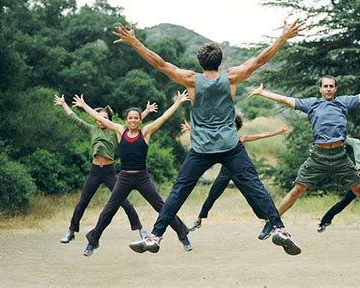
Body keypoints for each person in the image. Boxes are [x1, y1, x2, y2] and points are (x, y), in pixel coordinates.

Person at [115, 19, 305, 255]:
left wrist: (135, 42)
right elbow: (260, 59)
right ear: (220, 61)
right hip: (230, 146)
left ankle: (155, 236)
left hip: (202, 148)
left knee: (179, 191)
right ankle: (279, 229)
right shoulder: (232, 77)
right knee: (255, 185)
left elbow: (160, 64)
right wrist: (283, 37)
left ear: (200, 62)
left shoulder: (191, 80)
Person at [249, 74, 360, 242]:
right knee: (298, 190)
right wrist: (263, 93)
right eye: (326, 86)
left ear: (335, 89)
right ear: (320, 89)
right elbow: (287, 100)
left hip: (340, 156)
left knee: (359, 190)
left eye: (332, 86)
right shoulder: (311, 104)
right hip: (318, 156)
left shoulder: (343, 102)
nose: (329, 89)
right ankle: (272, 222)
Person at [72, 91, 192, 256]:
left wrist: (178, 102)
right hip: (124, 178)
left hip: (142, 177)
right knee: (109, 209)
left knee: (162, 207)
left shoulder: (146, 132)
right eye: (130, 118)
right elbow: (100, 118)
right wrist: (84, 106)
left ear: (140, 119)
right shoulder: (120, 131)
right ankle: (93, 241)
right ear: (126, 120)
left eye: (136, 118)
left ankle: (183, 236)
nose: (133, 120)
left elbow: (163, 117)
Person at [54, 95, 153, 244]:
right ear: (95, 119)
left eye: (104, 118)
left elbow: (133, 122)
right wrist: (63, 104)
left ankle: (140, 230)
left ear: (109, 119)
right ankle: (71, 231)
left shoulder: (116, 131)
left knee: (125, 202)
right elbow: (75, 119)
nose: (101, 120)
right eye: (99, 118)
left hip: (110, 172)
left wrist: (145, 111)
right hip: (95, 171)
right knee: (83, 202)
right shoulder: (91, 129)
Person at [182, 115, 288, 239]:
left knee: (251, 197)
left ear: (236, 128)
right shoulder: (222, 140)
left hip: (239, 173)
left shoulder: (240, 139)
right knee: (212, 195)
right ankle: (198, 220)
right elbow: (208, 134)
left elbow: (261, 135)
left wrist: (278, 132)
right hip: (225, 173)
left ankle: (268, 221)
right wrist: (191, 129)